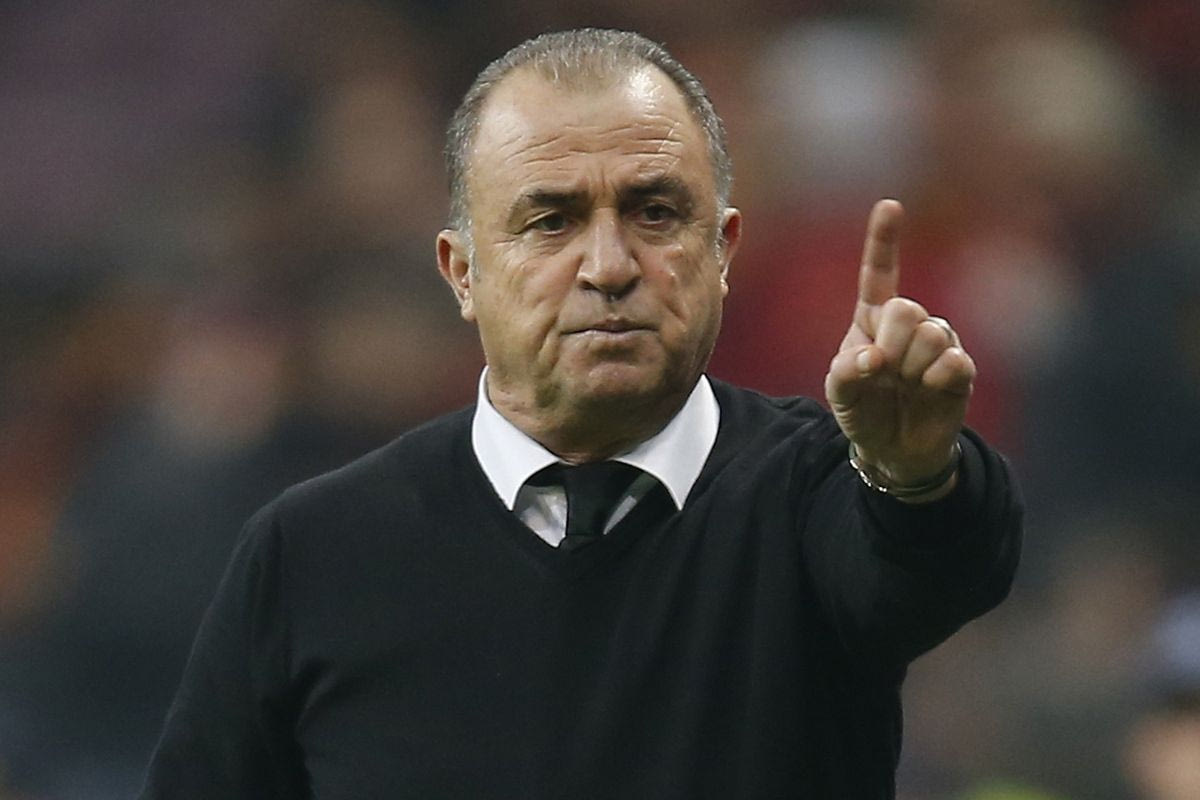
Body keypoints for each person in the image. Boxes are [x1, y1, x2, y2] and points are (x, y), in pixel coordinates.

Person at [139, 28, 1021, 798]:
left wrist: (912, 472)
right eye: (552, 221)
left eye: (654, 212)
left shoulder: (822, 492)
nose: (609, 266)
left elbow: (937, 571)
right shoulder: (313, 552)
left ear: (722, 252)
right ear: (462, 273)